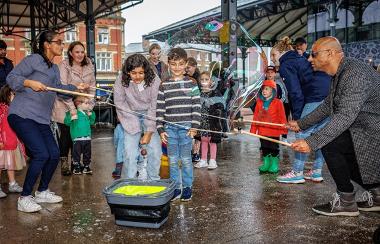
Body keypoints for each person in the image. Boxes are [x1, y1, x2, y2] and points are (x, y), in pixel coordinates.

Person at [289, 36, 380, 217]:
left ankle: (346, 201)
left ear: (330, 53)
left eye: (314, 54)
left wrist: (311, 142)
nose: (309, 59)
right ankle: (377, 195)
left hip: (372, 132)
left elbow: (345, 115)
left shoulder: (355, 73)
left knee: (331, 144)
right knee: (336, 147)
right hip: (364, 129)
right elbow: (327, 105)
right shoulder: (342, 72)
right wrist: (300, 124)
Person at [6, 30, 88, 213]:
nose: (62, 45)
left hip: (41, 119)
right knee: (41, 154)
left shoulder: (53, 68)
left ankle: (42, 191)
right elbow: (11, 78)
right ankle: (24, 197)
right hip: (22, 115)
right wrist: (29, 83)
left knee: (53, 153)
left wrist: (76, 88)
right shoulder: (33, 59)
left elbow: (58, 89)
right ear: (47, 44)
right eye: (58, 42)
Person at [270, 36, 331, 184]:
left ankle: (297, 173)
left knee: (301, 134)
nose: (272, 59)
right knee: (320, 134)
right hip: (327, 94)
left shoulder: (286, 64)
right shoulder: (299, 58)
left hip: (314, 96)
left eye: (273, 55)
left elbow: (295, 92)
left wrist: (298, 119)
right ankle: (316, 172)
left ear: (281, 52)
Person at [156, 47, 201, 201]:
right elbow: (160, 108)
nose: (177, 68)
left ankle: (187, 187)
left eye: (180, 64)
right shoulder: (164, 84)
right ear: (168, 64)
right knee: (173, 160)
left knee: (186, 159)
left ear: (186, 64)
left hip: (187, 128)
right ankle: (176, 187)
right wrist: (160, 129)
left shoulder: (192, 82)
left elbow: (196, 105)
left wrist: (194, 126)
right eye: (173, 64)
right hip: (169, 129)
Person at [114, 54, 162, 180]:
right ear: (128, 72)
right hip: (130, 114)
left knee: (155, 151)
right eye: (133, 73)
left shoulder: (155, 80)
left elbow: (155, 105)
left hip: (151, 114)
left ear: (146, 71)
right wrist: (133, 124)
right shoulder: (120, 80)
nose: (137, 77)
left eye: (141, 73)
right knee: (129, 153)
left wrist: (149, 131)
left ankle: (154, 180)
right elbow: (120, 102)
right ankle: (130, 182)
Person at [52, 41, 96, 176]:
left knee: (78, 134)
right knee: (66, 134)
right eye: (77, 52)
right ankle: (64, 162)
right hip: (64, 103)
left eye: (82, 52)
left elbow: (92, 87)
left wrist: (90, 104)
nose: (80, 54)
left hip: (82, 104)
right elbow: (63, 89)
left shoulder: (89, 65)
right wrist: (73, 109)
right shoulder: (63, 65)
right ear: (70, 53)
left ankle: (75, 162)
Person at [250, 80, 287, 174]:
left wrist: (284, 130)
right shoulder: (259, 102)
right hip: (262, 131)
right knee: (264, 147)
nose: (264, 91)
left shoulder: (278, 103)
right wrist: (253, 130)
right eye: (263, 89)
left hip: (274, 131)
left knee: (274, 148)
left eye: (267, 89)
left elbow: (282, 116)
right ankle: (266, 163)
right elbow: (256, 117)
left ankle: (274, 164)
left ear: (273, 91)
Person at [194, 71, 225, 170]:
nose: (204, 82)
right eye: (202, 80)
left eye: (206, 79)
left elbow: (220, 105)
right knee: (203, 140)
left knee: (212, 141)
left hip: (212, 122)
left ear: (211, 81)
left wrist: (216, 109)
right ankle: (203, 159)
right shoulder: (199, 93)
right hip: (202, 122)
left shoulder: (215, 93)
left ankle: (212, 160)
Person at [0, 85, 26, 198]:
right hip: (3, 143)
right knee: (0, 166)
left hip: (12, 141)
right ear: (7, 95)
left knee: (10, 164)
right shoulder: (1, 109)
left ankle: (12, 183)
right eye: (14, 94)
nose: (16, 97)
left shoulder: (14, 109)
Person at [64, 96, 95, 175]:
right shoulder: (73, 113)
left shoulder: (87, 113)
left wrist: (91, 115)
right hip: (77, 139)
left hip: (87, 138)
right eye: (86, 103)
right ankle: (76, 167)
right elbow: (66, 122)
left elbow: (92, 122)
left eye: (88, 103)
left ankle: (86, 166)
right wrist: (71, 117)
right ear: (79, 104)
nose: (88, 105)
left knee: (87, 154)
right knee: (76, 154)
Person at [186, 57, 201, 163]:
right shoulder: (185, 77)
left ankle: (196, 152)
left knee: (197, 133)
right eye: (186, 67)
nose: (187, 69)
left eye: (189, 67)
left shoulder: (199, 78)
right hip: (188, 107)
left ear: (195, 66)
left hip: (197, 106)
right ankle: (189, 152)